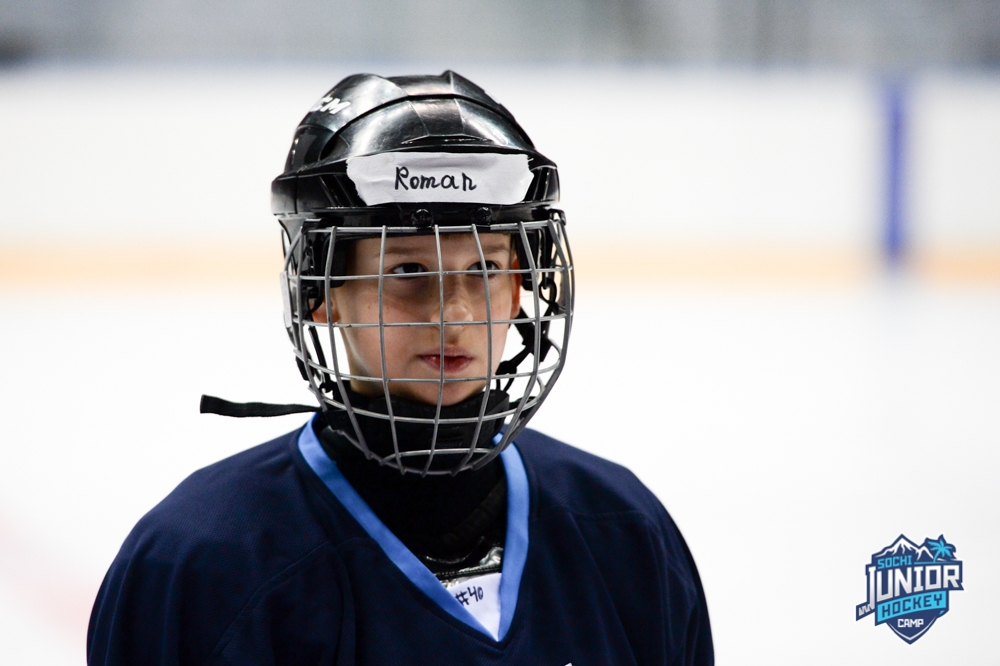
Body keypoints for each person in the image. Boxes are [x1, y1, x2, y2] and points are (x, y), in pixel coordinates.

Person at [87, 71, 713, 665]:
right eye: (408, 270)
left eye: (485, 268)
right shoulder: (200, 564)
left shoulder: (626, 536)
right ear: (321, 291)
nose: (455, 314)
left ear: (522, 285)